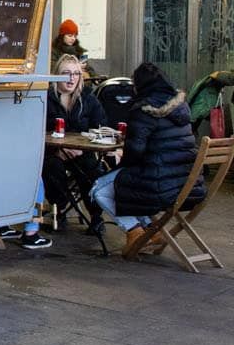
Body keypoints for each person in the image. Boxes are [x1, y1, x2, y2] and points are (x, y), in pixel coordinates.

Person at [90, 62, 206, 251]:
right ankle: (152, 229)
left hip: (159, 186)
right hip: (188, 186)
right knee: (114, 183)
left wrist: (119, 162)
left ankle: (135, 231)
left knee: (98, 190)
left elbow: (134, 153)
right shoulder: (181, 107)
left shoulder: (144, 110)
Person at [42, 53, 109, 228]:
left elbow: (101, 126)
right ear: (57, 75)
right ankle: (61, 208)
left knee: (91, 170)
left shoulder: (88, 98)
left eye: (76, 74)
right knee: (51, 167)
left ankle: (96, 216)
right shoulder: (45, 99)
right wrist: (57, 150)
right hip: (53, 153)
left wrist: (83, 148)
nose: (71, 78)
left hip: (82, 152)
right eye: (66, 73)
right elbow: (35, 131)